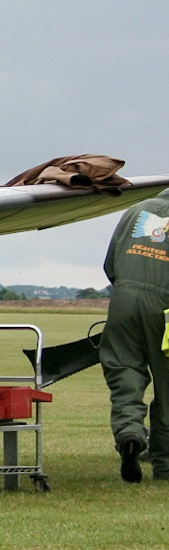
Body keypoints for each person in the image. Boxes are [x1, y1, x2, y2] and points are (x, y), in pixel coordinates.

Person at [99, 186, 169, 482]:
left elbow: (110, 264)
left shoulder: (136, 210)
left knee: (125, 373)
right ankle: (165, 465)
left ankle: (130, 435)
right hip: (165, 307)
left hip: (123, 299)